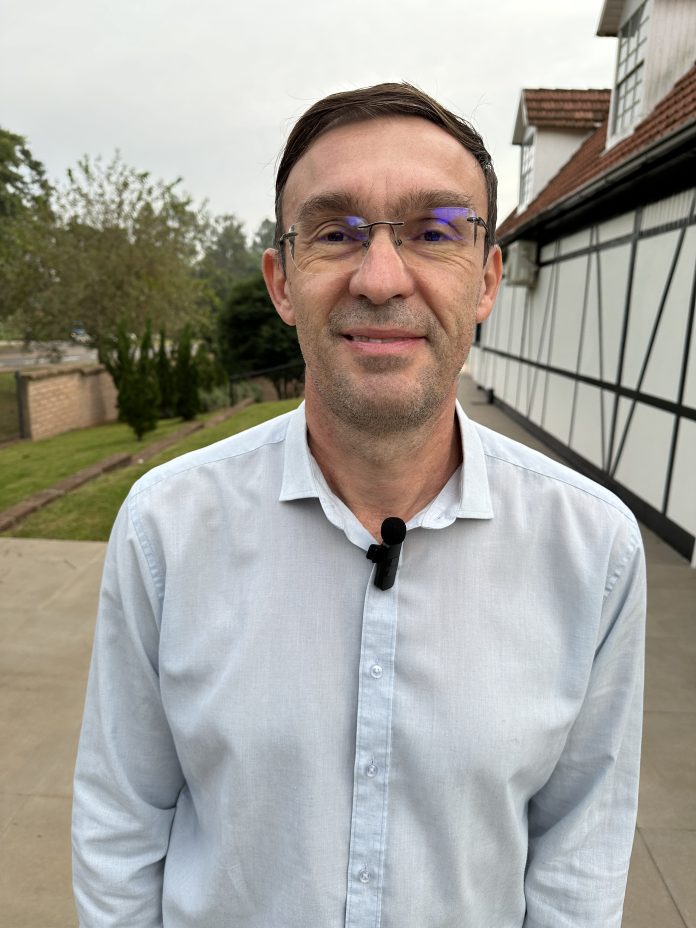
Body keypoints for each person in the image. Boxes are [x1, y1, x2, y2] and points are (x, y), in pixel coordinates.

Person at [72, 83, 645, 928]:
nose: (380, 279)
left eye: (435, 232)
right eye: (336, 232)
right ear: (282, 282)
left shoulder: (592, 551)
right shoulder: (166, 529)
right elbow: (120, 828)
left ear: (487, 281)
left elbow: (580, 861)